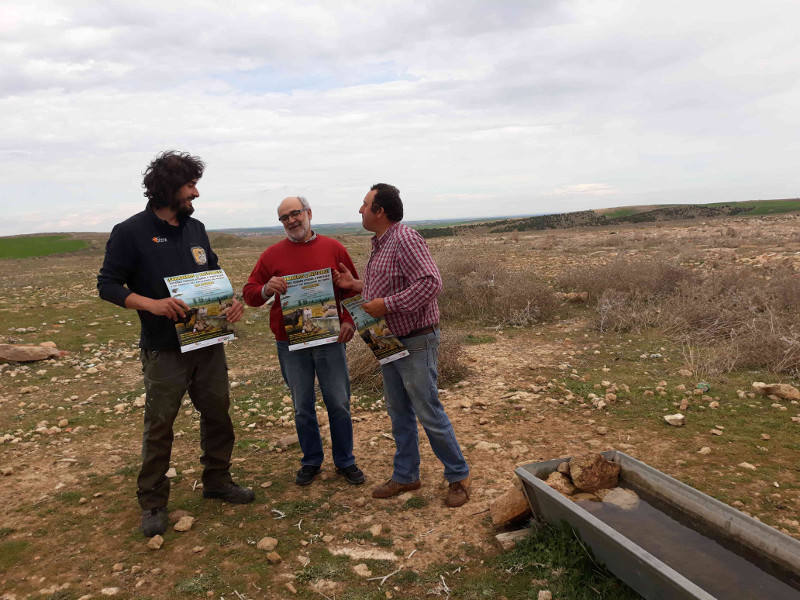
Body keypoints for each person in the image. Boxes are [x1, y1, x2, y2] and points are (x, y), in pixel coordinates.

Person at [97, 151, 254, 538]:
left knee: (218, 413)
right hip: (164, 348)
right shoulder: (130, 231)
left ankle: (217, 481)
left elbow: (212, 273)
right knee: (160, 425)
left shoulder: (196, 229)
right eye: (189, 186)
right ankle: (152, 501)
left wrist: (231, 302)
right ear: (168, 187)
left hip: (208, 341)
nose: (196, 193)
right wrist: (151, 304)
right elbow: (108, 285)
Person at [333, 183, 471, 507]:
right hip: (388, 339)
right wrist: (355, 285)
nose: (360, 210)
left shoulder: (405, 238)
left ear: (380, 211)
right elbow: (388, 283)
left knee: (427, 409)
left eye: (365, 204)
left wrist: (388, 305)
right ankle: (406, 475)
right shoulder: (381, 242)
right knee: (398, 410)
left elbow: (431, 283)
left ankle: (459, 476)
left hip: (416, 338)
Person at [242, 196, 365, 487]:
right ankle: (311, 460)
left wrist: (350, 320)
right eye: (284, 217)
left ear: (309, 213)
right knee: (302, 406)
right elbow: (249, 293)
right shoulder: (271, 254)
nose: (291, 221)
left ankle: (345, 461)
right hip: (290, 343)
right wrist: (265, 289)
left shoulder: (334, 248)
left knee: (339, 403)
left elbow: (353, 289)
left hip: (329, 339)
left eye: (295, 213)